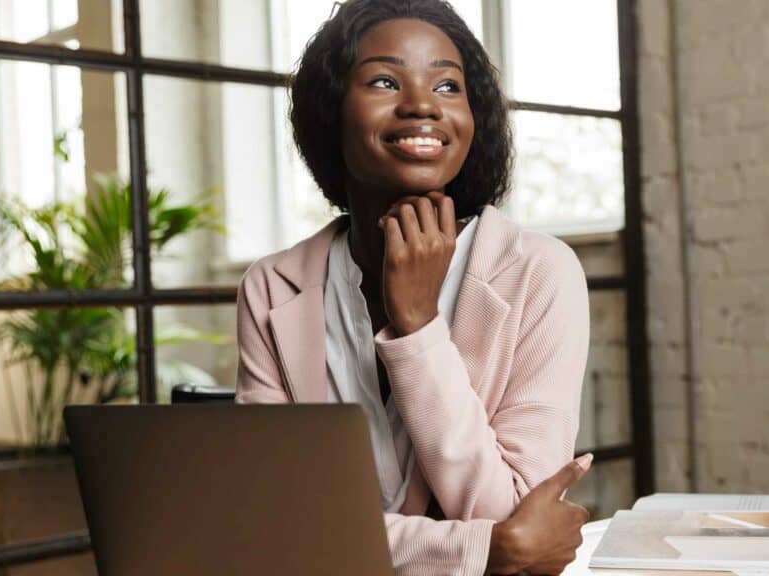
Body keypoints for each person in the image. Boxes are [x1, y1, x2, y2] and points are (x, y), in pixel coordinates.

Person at [235, 0, 592, 573]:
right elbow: (273, 518)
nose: (423, 104)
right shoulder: (273, 287)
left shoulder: (540, 271)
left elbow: (517, 512)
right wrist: (481, 549)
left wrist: (419, 328)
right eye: (383, 80)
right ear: (331, 111)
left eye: (449, 87)